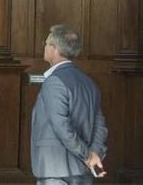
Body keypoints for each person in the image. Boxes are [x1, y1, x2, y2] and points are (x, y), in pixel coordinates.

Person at [32, 25, 108, 182]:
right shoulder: (89, 82)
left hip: (56, 167)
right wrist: (95, 153)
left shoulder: (54, 81)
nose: (44, 48)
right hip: (82, 169)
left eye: (46, 44)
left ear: (54, 49)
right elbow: (100, 125)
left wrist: (87, 155)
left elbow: (61, 127)